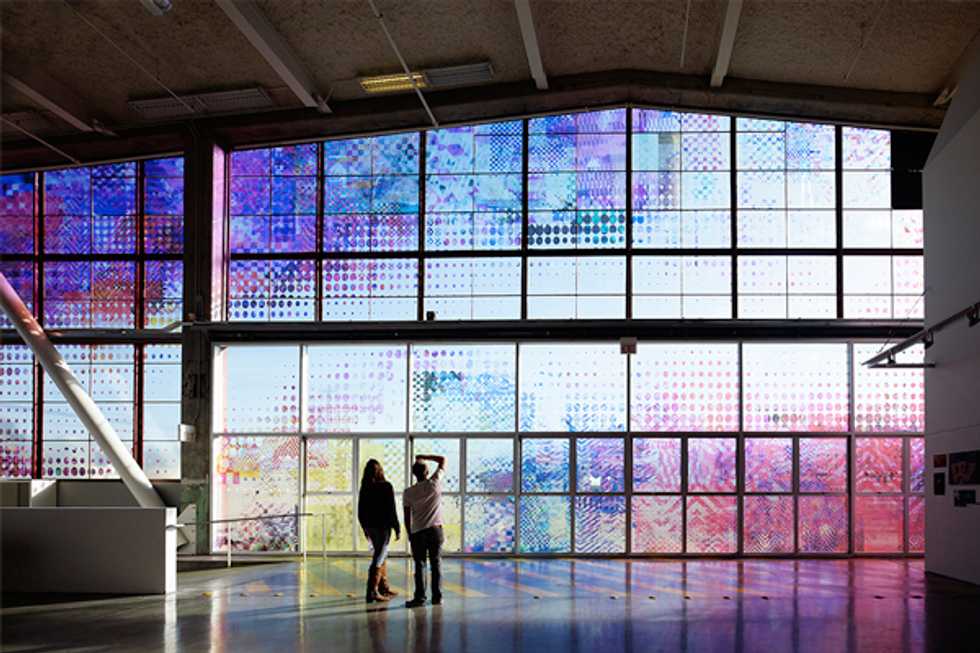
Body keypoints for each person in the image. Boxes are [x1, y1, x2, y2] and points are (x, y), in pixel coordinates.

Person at [402, 453, 446, 607]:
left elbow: (407, 516)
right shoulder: (434, 483)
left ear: (414, 474)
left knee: (420, 565)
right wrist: (423, 456)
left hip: (418, 532)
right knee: (436, 563)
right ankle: (437, 597)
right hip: (435, 530)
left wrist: (410, 534)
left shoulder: (408, 492)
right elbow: (442, 460)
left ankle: (420, 598)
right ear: (427, 472)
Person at [358, 458, 401, 603]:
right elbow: (391, 509)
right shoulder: (386, 486)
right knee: (379, 556)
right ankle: (372, 591)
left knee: (381, 554)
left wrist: (364, 527)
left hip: (370, 526)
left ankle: (383, 587)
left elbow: (360, 510)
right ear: (380, 471)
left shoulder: (365, 487)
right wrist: (397, 527)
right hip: (383, 527)